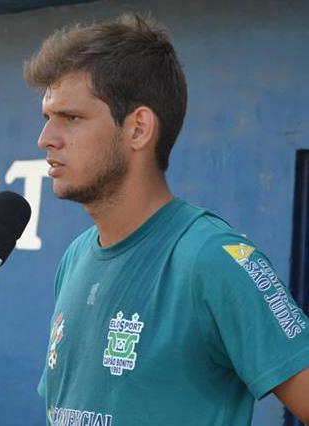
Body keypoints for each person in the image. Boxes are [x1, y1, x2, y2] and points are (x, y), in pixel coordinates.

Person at [27, 13, 309, 425]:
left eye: (71, 118)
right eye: (46, 118)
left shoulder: (214, 258)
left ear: (138, 128)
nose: (46, 138)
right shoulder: (75, 257)